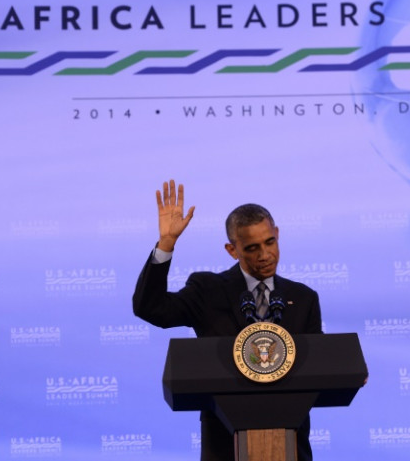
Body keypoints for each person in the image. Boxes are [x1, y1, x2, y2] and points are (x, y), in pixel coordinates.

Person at [133, 179, 323, 461]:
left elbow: (316, 363)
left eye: (270, 242)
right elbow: (151, 308)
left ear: (278, 234)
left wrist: (346, 370)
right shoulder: (208, 290)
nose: (265, 255)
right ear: (232, 250)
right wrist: (166, 244)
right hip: (225, 445)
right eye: (252, 248)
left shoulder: (303, 298)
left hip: (290, 445)